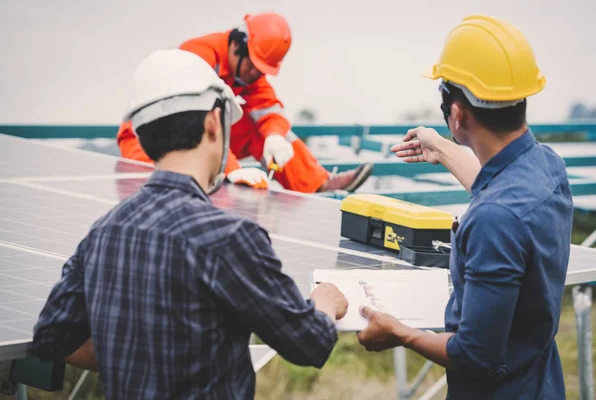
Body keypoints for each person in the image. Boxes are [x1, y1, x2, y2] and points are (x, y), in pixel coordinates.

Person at [30, 49, 348, 399]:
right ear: (214, 121)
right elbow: (310, 344)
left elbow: (52, 335)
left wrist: (133, 360)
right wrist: (325, 301)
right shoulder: (230, 237)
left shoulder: (104, 231)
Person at [357, 15, 573, 399]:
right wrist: (441, 147)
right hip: (541, 383)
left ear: (456, 113)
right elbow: (502, 190)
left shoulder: (494, 219)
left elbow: (475, 355)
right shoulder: (547, 166)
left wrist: (400, 332)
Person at [116, 12, 373, 193]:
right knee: (177, 184)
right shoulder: (197, 55)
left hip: (200, 140)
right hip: (149, 139)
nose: (257, 74)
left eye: (263, 70)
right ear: (237, 46)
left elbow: (269, 110)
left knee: (263, 130)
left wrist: (274, 137)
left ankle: (317, 182)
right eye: (255, 65)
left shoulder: (246, 72)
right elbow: (194, 124)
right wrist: (230, 169)